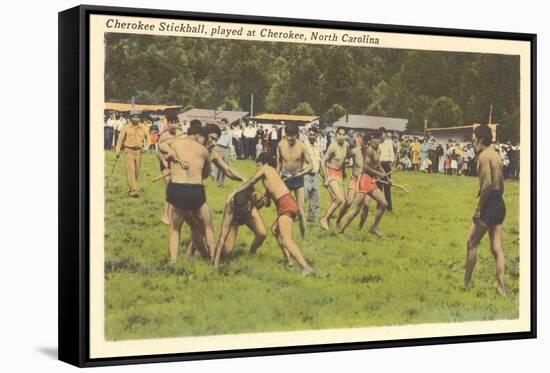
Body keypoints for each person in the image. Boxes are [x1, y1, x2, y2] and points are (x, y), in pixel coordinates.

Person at [232, 152, 314, 274]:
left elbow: (252, 180)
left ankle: (306, 268)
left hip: (286, 204)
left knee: (287, 239)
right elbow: (270, 198)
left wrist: (236, 191)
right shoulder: (273, 174)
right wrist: (266, 199)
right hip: (287, 203)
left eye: (258, 165)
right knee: (275, 230)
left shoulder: (266, 168)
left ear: (263, 163)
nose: (257, 168)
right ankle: (289, 261)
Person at [158, 122, 215, 261]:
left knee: (175, 228)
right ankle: (214, 259)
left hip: (177, 188)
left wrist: (171, 153)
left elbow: (160, 145)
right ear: (198, 135)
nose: (205, 142)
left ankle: (173, 261)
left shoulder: (175, 144)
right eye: (204, 139)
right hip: (196, 189)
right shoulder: (204, 151)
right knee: (207, 226)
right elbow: (205, 174)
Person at [464, 124, 506, 295]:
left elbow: (487, 184)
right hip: (499, 203)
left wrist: (478, 208)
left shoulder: (483, 156)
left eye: (474, 137)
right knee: (497, 247)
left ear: (480, 139)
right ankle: (501, 286)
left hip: (489, 203)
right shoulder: (496, 155)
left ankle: (466, 283)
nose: (472, 140)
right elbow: (501, 185)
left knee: (471, 243)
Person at [338, 131, 389, 235]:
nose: (376, 141)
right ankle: (341, 229)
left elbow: (378, 165)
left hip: (371, 180)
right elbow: (365, 167)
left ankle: (374, 227)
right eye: (375, 139)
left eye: (379, 139)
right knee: (356, 208)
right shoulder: (369, 150)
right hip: (364, 179)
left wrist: (387, 177)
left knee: (383, 203)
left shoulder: (378, 150)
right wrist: (378, 174)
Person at [212, 187, 269, 267]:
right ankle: (216, 252)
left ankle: (252, 253)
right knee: (227, 252)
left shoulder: (251, 194)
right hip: (235, 220)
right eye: (242, 209)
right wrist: (216, 263)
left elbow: (261, 204)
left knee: (262, 234)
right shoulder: (230, 210)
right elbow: (222, 237)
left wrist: (264, 201)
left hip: (250, 215)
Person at [277, 123, 313, 238]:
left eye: (292, 136)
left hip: (298, 178)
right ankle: (281, 234)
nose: (289, 138)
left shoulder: (302, 146)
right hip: (284, 178)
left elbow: (311, 165)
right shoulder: (280, 145)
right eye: (287, 135)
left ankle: (304, 238)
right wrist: (278, 179)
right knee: (284, 209)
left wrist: (299, 174)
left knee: (300, 211)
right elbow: (278, 165)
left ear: (296, 135)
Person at [337, 133, 371, 230]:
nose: (367, 145)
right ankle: (338, 219)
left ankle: (360, 228)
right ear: (361, 142)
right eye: (365, 143)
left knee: (366, 205)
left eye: (369, 144)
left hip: (366, 182)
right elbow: (343, 158)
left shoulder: (370, 153)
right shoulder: (355, 152)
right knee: (348, 202)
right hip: (355, 180)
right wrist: (343, 171)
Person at [319, 127, 350, 230]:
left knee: (337, 200)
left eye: (343, 134)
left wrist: (344, 171)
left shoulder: (346, 145)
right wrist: (326, 178)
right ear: (336, 135)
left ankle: (328, 221)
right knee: (339, 199)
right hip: (330, 172)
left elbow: (344, 159)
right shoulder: (333, 146)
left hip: (339, 174)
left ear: (346, 136)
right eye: (339, 134)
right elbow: (323, 161)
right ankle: (324, 218)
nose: (341, 137)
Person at [157, 117, 184, 224]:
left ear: (178, 123)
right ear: (167, 124)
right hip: (166, 166)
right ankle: (166, 216)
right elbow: (158, 152)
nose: (173, 125)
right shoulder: (163, 135)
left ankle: (174, 215)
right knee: (170, 190)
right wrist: (163, 160)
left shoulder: (183, 135)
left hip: (178, 166)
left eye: (175, 122)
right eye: (171, 123)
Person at [115, 109, 147, 197]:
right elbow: (120, 139)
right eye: (134, 116)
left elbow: (148, 137)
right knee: (131, 170)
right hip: (128, 150)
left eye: (137, 116)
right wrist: (117, 150)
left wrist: (145, 146)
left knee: (136, 171)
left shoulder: (142, 127)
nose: (136, 118)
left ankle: (131, 187)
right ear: (130, 118)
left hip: (139, 151)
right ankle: (134, 190)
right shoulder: (126, 127)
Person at [303, 127, 323, 223]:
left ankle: (313, 219)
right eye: (310, 134)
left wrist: (323, 175)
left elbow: (320, 161)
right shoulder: (304, 145)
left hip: (315, 175)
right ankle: (297, 216)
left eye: (313, 135)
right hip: (306, 175)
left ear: (317, 136)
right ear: (307, 134)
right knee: (303, 197)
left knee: (316, 198)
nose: (311, 136)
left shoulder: (317, 146)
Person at [212, 120, 232, 187]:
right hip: (218, 147)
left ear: (226, 124)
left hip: (226, 149)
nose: (223, 125)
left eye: (224, 124)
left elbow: (230, 143)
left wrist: (231, 151)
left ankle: (221, 182)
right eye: (222, 123)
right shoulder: (218, 132)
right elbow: (214, 140)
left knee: (224, 166)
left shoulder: (229, 132)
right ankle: (216, 180)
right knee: (218, 165)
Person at [379, 130, 395, 211]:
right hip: (378, 166)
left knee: (387, 186)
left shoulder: (389, 143)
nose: (384, 136)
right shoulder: (377, 143)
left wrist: (390, 163)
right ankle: (379, 205)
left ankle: (389, 207)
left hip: (386, 165)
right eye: (382, 134)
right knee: (379, 186)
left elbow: (392, 155)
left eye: (384, 134)